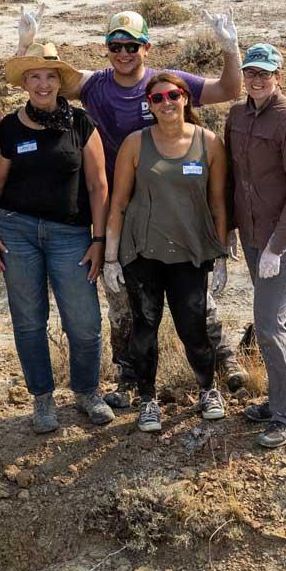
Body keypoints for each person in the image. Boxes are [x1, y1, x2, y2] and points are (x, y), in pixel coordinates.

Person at [17, 6, 246, 409]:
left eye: (132, 45)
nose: (123, 53)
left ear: (147, 46)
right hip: (119, 211)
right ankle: (127, 378)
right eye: (115, 45)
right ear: (106, 48)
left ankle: (225, 364)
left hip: (175, 208)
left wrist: (231, 49)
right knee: (124, 303)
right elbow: (43, 84)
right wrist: (24, 45)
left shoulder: (167, 85)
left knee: (194, 300)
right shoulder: (95, 85)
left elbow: (230, 90)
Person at [0, 43, 115, 433]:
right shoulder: (10, 126)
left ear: (60, 82)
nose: (43, 84)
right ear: (25, 83)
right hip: (17, 231)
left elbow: (98, 185)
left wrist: (99, 239)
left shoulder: (80, 124)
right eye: (35, 77)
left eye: (50, 76)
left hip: (71, 233)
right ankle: (42, 399)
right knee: (28, 320)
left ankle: (88, 392)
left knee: (84, 320)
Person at [103, 73, 230, 433]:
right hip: (143, 253)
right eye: (157, 99)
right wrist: (111, 257)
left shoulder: (209, 144)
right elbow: (119, 202)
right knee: (145, 327)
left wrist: (220, 257)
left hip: (190, 253)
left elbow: (218, 204)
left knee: (193, 327)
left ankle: (208, 390)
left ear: (186, 98)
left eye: (173, 95)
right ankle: (147, 400)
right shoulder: (135, 144)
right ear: (149, 105)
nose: (166, 103)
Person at [226, 44, 286, 448]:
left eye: (265, 73)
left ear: (278, 75)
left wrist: (277, 247)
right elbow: (230, 176)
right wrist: (229, 229)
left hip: (285, 238)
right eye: (251, 73)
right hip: (252, 234)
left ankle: (285, 414)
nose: (257, 80)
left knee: (267, 323)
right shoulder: (237, 114)